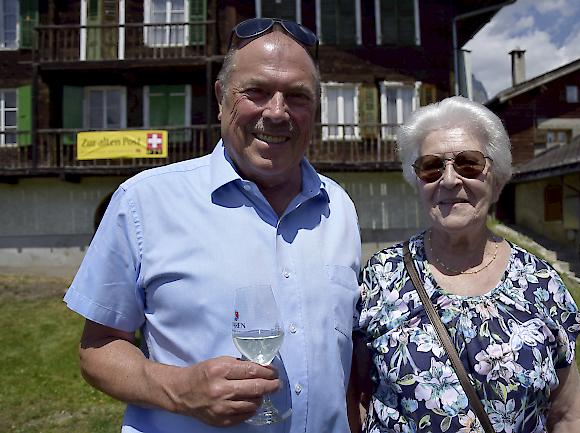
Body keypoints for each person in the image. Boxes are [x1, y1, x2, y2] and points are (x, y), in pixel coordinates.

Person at [64, 18, 361, 433]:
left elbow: (343, 363)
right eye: (256, 92)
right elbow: (97, 347)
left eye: (297, 96)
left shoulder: (339, 208)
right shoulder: (144, 203)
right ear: (221, 98)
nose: (277, 112)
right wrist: (181, 389)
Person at [349, 97, 580, 433]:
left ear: (496, 177)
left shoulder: (540, 282)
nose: (449, 180)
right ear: (417, 180)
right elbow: (355, 399)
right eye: (431, 166)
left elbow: (568, 414)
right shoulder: (380, 276)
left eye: (468, 163)